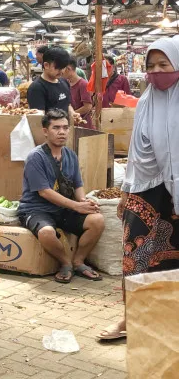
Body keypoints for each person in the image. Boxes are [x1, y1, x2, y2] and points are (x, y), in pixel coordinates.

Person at [98, 37, 179, 341]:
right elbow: (136, 152)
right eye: (151, 66)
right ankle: (131, 318)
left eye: (164, 64)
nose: (157, 71)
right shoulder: (146, 100)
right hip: (147, 189)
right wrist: (125, 191)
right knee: (138, 255)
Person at [17, 109, 104, 283]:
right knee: (47, 232)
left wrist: (84, 202)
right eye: (56, 128)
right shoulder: (36, 157)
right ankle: (65, 263)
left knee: (97, 220)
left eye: (65, 127)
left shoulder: (70, 155)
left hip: (63, 209)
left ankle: (79, 261)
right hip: (36, 209)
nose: (62, 132)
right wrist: (76, 206)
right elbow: (44, 192)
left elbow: (77, 185)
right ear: (45, 131)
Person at [27, 47, 81, 126]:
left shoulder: (64, 82)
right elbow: (38, 119)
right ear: (46, 65)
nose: (62, 71)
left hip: (65, 132)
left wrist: (73, 113)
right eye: (58, 68)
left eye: (63, 68)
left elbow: (67, 105)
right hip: (49, 136)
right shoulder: (37, 88)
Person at [62, 59, 94, 129]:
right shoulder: (66, 83)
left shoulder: (83, 84)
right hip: (71, 123)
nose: (61, 72)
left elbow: (88, 106)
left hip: (82, 124)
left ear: (68, 69)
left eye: (62, 69)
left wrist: (71, 114)